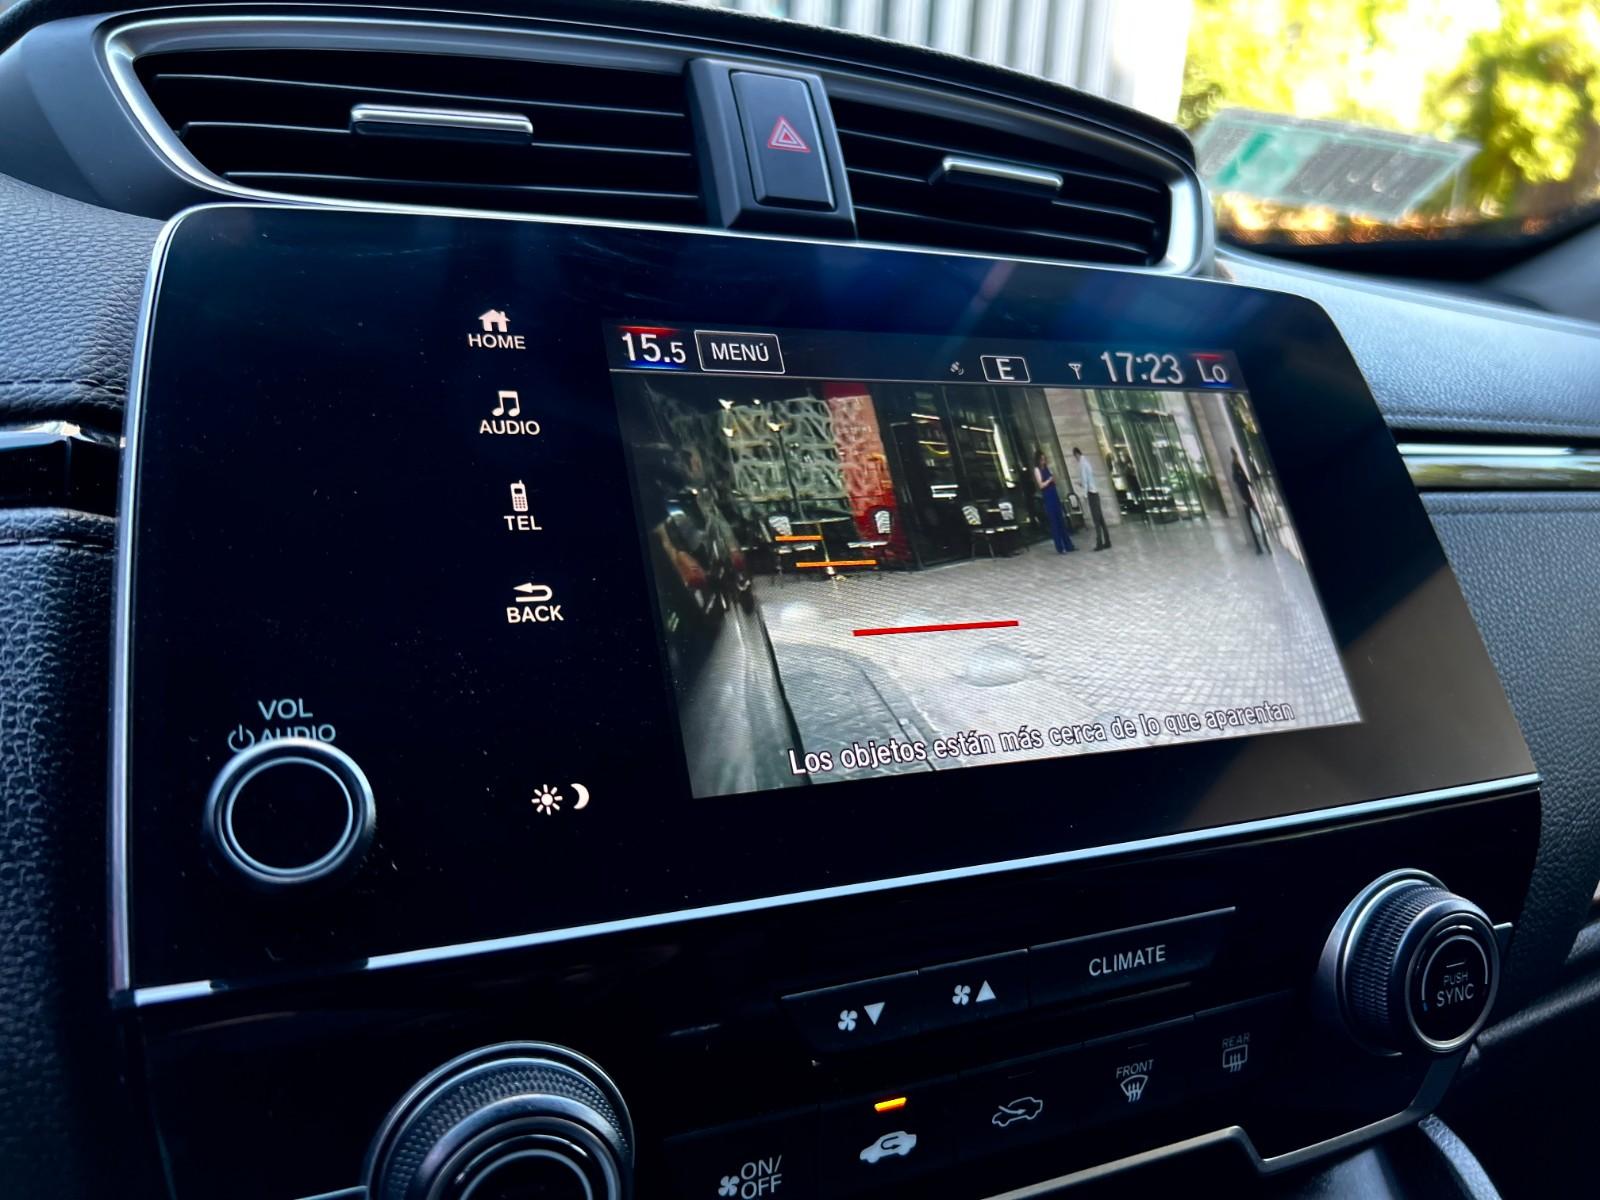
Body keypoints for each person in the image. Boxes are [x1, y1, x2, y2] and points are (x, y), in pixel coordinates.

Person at [1033, 450, 1074, 553]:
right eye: (1042, 460)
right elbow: (1041, 485)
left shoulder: (1047, 468)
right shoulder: (1037, 470)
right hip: (1048, 496)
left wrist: (1053, 479)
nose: (1043, 461)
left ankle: (1068, 545)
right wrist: (1048, 481)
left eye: (1044, 459)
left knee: (1061, 521)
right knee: (1054, 522)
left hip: (1054, 494)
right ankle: (1060, 547)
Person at [1231, 446, 1269, 555]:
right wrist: (1243, 499)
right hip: (1246, 500)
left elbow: (1246, 481)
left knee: (1256, 521)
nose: (1237, 458)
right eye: (1236, 457)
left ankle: (1263, 545)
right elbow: (1239, 484)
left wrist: (1251, 486)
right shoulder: (1235, 469)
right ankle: (1259, 546)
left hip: (1248, 498)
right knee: (1252, 522)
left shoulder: (1238, 468)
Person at [1073, 447, 1110, 550]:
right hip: (1095, 492)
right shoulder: (1087, 462)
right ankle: (1107, 540)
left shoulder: (1082, 464)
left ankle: (1100, 542)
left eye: (1075, 456)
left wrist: (1084, 495)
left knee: (1096, 520)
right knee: (1100, 518)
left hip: (1091, 493)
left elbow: (1085, 481)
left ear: (1076, 454)